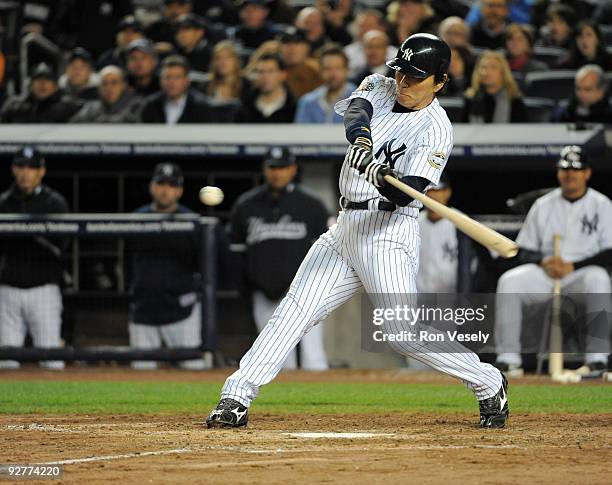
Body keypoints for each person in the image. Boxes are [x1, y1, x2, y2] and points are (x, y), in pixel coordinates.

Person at [207, 33, 508, 430]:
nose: (402, 83)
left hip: (388, 231)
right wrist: (364, 143)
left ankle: (488, 381)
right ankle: (236, 395)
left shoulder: (437, 129)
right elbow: (355, 115)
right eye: (401, 72)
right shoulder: (382, 85)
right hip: (345, 226)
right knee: (293, 311)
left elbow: (409, 194)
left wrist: (382, 177)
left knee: (402, 332)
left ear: (439, 82)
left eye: (415, 78)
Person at [495, 146, 611, 375]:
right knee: (510, 281)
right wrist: (542, 261)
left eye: (576, 170)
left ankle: (597, 359)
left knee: (598, 278)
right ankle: (508, 359)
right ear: (558, 173)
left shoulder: (603, 205)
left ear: (587, 173)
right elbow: (523, 249)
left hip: (581, 274)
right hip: (546, 273)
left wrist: (573, 266)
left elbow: (610, 252)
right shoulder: (543, 204)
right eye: (565, 169)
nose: (570, 174)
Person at [230, 147, 330, 370]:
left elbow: (328, 250)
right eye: (273, 167)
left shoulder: (311, 205)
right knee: (275, 357)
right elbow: (235, 252)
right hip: (263, 292)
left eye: (283, 167)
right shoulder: (245, 205)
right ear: (265, 169)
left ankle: (323, 402)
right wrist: (246, 285)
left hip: (305, 290)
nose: (277, 173)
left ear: (293, 169)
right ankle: (283, 405)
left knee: (313, 355)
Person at [128, 163, 207, 370]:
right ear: (152, 187)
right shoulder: (135, 220)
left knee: (194, 371)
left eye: (172, 185)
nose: (166, 190)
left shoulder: (192, 222)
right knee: (141, 378)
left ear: (179, 190)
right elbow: (125, 261)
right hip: (144, 309)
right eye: (161, 183)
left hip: (182, 311)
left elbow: (205, 264)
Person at [0, 147, 68, 370]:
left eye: (31, 168)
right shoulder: (4, 203)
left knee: (51, 360)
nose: (25, 173)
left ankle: (54, 406)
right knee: (7, 362)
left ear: (41, 171)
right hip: (8, 289)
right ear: (13, 169)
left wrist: (28, 232)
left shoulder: (54, 203)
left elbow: (61, 245)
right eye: (21, 167)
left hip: (43, 289)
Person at [141, 55, 231, 124]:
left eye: (177, 77)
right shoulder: (150, 106)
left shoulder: (202, 107)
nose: (171, 82)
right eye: (167, 77)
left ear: (187, 81)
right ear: (160, 80)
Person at [0, 63, 82, 123]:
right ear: (31, 85)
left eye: (47, 80)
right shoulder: (14, 105)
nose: (42, 84)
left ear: (55, 86)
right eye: (38, 80)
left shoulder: (68, 106)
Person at [295, 45, 355, 124]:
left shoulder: (361, 100)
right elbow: (300, 134)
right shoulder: (308, 102)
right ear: (320, 71)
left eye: (338, 68)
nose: (333, 74)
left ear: (347, 70)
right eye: (327, 69)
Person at [462, 50, 527, 123]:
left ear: (502, 73)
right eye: (483, 67)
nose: (487, 72)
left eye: (493, 67)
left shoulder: (515, 102)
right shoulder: (470, 99)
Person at [70, 65, 143, 123]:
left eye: (114, 83)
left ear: (123, 85)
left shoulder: (136, 105)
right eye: (104, 83)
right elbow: (73, 127)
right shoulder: (91, 108)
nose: (108, 88)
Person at [238, 53, 296, 123]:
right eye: (260, 72)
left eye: (270, 71)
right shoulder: (245, 106)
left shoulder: (294, 107)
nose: (265, 77)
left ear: (283, 75)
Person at [344, 9, 396, 78]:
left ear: (382, 28)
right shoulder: (348, 53)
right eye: (362, 26)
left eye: (369, 25)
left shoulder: (396, 54)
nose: (364, 30)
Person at [278, 28, 322, 99]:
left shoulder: (317, 70)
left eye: (297, 43)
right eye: (286, 43)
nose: (292, 48)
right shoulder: (272, 69)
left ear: (307, 47)